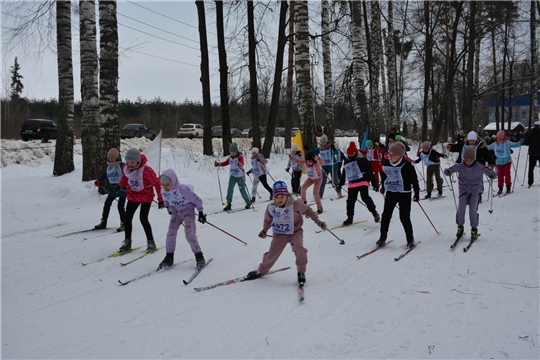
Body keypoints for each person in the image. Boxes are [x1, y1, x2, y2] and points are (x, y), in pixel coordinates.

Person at [244, 181, 327, 285]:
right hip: (279, 234)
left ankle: (301, 272)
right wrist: (264, 230)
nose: (279, 200)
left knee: (300, 249)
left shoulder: (296, 204)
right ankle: (261, 270)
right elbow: (267, 220)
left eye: (282, 197)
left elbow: (309, 211)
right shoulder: (271, 207)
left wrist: (318, 222)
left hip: (295, 232)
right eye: (277, 197)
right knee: (272, 254)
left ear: (287, 195)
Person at [116, 148, 164, 253]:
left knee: (143, 218)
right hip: (133, 195)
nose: (130, 164)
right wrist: (118, 186)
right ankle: (127, 242)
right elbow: (125, 178)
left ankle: (151, 242)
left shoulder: (146, 170)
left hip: (146, 196)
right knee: (127, 219)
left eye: (132, 162)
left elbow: (157, 183)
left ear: (138, 161)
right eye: (128, 162)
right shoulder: (126, 168)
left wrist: (161, 199)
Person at [444, 147, 497, 242]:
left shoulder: (479, 166)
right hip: (463, 190)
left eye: (470, 160)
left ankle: (474, 229)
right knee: (461, 208)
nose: (468, 162)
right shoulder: (460, 166)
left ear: (474, 159)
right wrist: (448, 171)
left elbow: (487, 171)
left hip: (475, 191)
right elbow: (452, 169)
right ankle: (460, 228)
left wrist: (491, 174)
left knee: (472, 210)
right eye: (466, 160)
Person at [158, 169, 206, 270]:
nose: (165, 187)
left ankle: (199, 255)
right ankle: (169, 257)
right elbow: (166, 200)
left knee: (189, 233)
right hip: (176, 213)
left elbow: (197, 200)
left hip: (188, 211)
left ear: (173, 182)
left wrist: (201, 212)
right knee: (170, 233)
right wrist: (168, 207)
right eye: (163, 184)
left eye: (168, 184)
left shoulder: (182, 190)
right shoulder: (163, 191)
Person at [377, 142, 420, 249]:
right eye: (389, 154)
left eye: (393, 155)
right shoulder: (386, 163)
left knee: (404, 217)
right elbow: (384, 176)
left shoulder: (407, 165)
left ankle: (410, 239)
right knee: (386, 215)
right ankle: (382, 238)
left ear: (400, 155)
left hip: (404, 193)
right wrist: (383, 186)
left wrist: (417, 193)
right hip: (391, 192)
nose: (390, 157)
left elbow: (414, 180)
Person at [339, 142, 380, 225]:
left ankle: (374, 213)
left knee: (365, 197)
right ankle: (350, 217)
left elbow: (369, 172)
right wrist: (341, 183)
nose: (351, 156)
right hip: (352, 182)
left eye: (353, 154)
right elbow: (344, 172)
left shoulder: (362, 160)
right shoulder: (347, 161)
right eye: (349, 154)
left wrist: (374, 183)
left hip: (363, 180)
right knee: (350, 200)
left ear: (356, 153)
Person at [93, 148, 126, 232]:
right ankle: (103, 222)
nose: (111, 159)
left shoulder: (122, 166)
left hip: (122, 188)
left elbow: (127, 175)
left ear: (117, 157)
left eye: (113, 158)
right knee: (107, 204)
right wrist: (99, 180)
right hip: (112, 188)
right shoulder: (107, 166)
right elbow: (104, 174)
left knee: (120, 207)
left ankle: (124, 223)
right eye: (109, 157)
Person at [214, 142, 252, 211]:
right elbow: (225, 163)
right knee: (230, 189)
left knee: (242, 189)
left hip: (240, 176)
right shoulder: (230, 158)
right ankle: (228, 203)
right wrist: (218, 164)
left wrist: (240, 164)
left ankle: (248, 202)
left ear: (236, 152)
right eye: (231, 153)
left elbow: (242, 162)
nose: (232, 154)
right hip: (233, 176)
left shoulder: (240, 157)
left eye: (234, 153)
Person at [486, 130, 521, 195]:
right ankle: (500, 188)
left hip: (507, 161)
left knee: (507, 174)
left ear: (503, 137)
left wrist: (519, 142)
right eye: (497, 138)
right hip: (499, 162)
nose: (498, 139)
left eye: (500, 138)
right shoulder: (495, 144)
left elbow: (514, 144)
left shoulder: (507, 143)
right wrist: (485, 145)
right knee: (500, 175)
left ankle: (508, 187)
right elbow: (489, 147)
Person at [315, 134, 342, 199]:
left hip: (332, 165)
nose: (323, 143)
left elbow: (336, 153)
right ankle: (320, 194)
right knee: (322, 181)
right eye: (322, 142)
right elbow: (315, 152)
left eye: (324, 142)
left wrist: (334, 148)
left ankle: (339, 192)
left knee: (335, 181)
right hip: (324, 166)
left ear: (326, 141)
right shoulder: (320, 148)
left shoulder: (330, 147)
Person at [523, 121, 540, 188]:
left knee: (531, 168)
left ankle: (530, 181)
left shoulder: (530, 133)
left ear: (534, 126)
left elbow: (527, 143)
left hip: (532, 152)